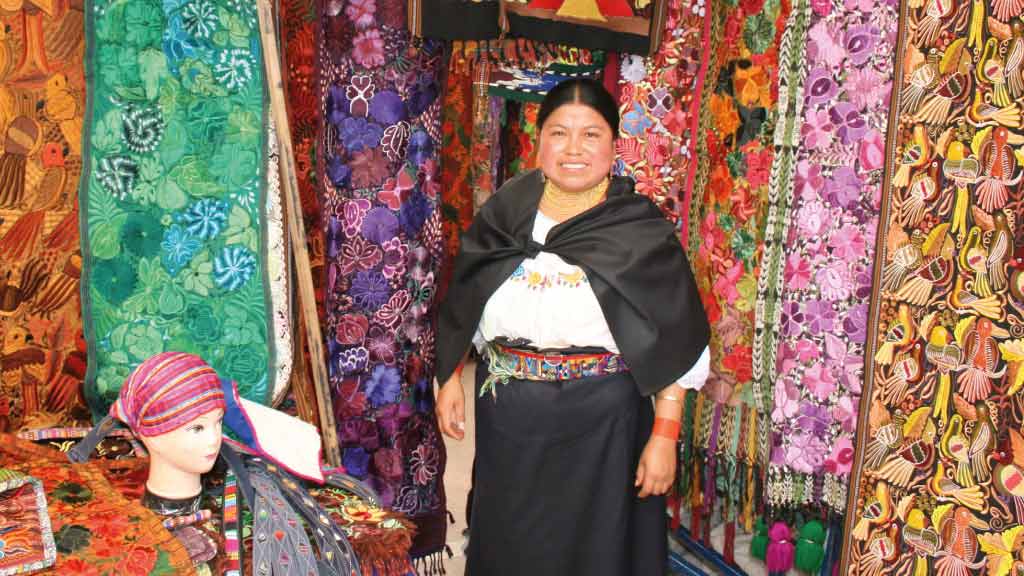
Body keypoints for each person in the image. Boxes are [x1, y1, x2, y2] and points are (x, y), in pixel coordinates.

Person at [435, 78, 710, 576]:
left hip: (605, 425)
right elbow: (466, 296)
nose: (574, 149)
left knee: (597, 554)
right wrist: (450, 374)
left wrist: (666, 435)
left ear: (613, 145)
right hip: (510, 421)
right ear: (538, 142)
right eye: (559, 133)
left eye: (591, 134)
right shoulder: (503, 213)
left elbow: (677, 338)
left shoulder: (637, 228)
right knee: (511, 550)